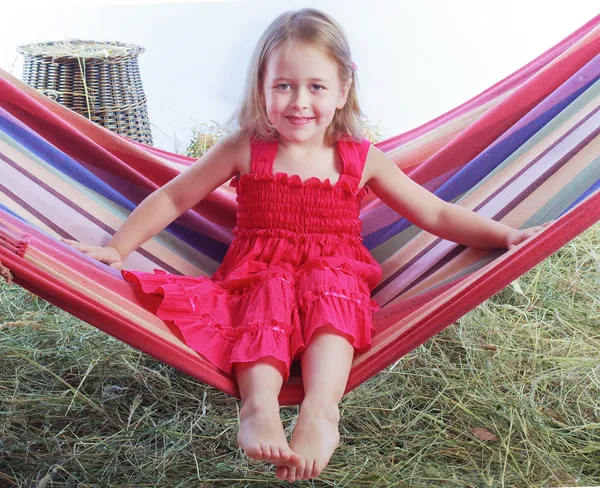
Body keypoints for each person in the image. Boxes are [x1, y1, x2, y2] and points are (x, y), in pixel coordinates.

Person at [63, 8, 551, 483]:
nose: (299, 102)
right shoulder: (245, 148)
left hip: (335, 275)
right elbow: (174, 195)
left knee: (330, 287)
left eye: (316, 86)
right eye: (283, 86)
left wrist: (505, 235)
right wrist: (118, 247)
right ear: (262, 88)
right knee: (270, 289)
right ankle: (259, 406)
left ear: (343, 91)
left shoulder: (360, 159)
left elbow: (437, 214)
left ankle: (320, 410)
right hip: (257, 274)